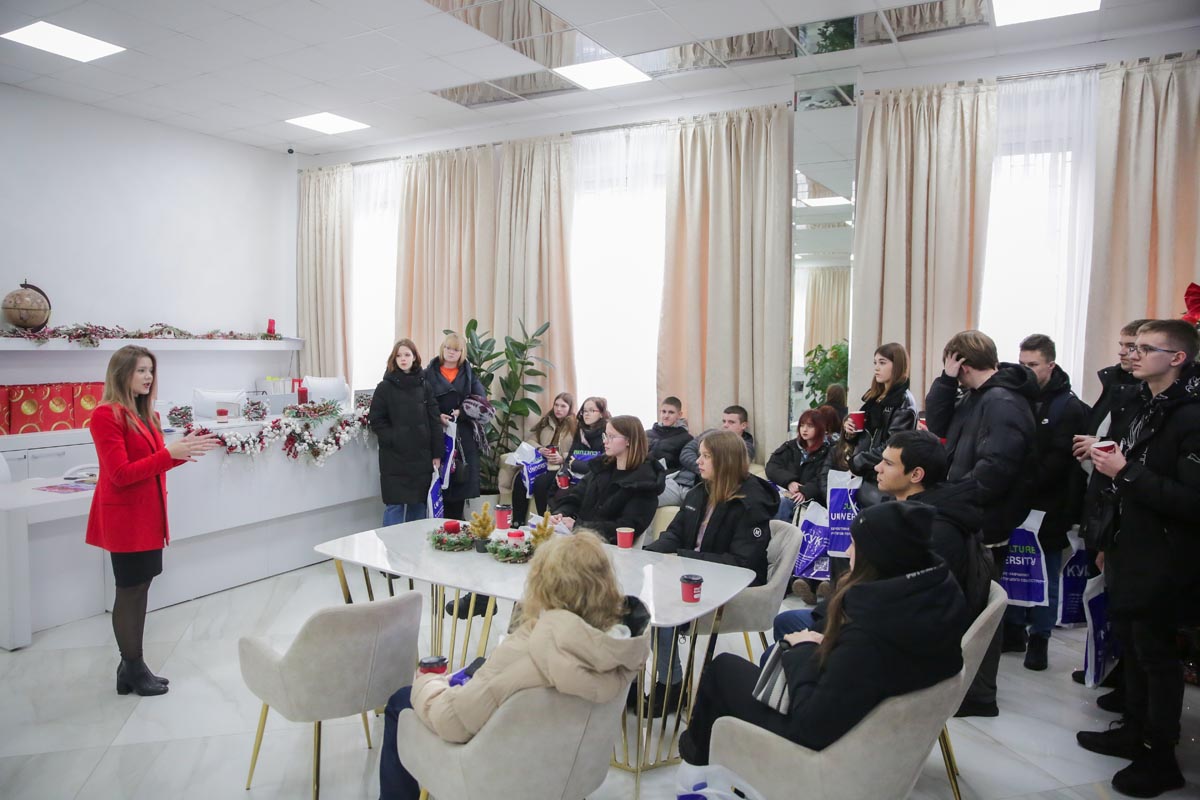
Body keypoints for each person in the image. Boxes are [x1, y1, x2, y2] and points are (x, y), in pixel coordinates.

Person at [679, 502, 968, 765]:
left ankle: (697, 761)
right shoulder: (937, 593)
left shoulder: (868, 634)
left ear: (877, 556)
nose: (848, 551)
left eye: (854, 544)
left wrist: (800, 649)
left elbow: (811, 725)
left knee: (722, 669)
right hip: (878, 720)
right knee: (781, 638)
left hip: (826, 744)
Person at [379, 531, 652, 800]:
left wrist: (428, 682)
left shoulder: (525, 651)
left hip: (490, 777)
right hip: (569, 775)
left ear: (543, 586)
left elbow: (452, 722)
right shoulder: (620, 653)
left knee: (401, 700)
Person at [1074, 319, 1199, 798]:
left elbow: (1191, 501)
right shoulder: (1145, 403)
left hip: (1165, 558)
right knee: (1133, 646)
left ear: (1178, 358)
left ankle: (1160, 756)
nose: (1133, 355)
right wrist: (1106, 541)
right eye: (1134, 346)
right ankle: (1134, 729)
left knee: (1157, 657)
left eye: (1147, 348)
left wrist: (1124, 471)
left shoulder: (1191, 416)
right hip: (1129, 546)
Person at [85, 345, 220, 696]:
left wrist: (182, 452)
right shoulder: (105, 415)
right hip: (125, 520)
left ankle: (131, 667)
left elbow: (153, 464)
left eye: (151, 370)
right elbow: (120, 474)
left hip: (148, 516)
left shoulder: (147, 415)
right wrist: (168, 453)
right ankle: (132, 666)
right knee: (129, 590)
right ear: (122, 374)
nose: (148, 377)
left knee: (141, 586)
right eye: (141, 370)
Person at [771, 429, 990, 644]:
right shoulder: (906, 514)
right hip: (875, 616)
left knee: (788, 627)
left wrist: (828, 629)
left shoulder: (932, 531)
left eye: (888, 463)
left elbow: (900, 603)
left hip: (894, 637)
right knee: (791, 622)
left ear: (915, 475)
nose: (877, 467)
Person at [924, 329, 1037, 717]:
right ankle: (964, 687)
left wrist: (950, 499)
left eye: (950, 364)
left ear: (961, 362)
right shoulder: (978, 396)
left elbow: (996, 469)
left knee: (980, 612)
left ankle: (979, 695)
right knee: (967, 605)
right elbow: (940, 426)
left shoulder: (1002, 401)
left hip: (985, 521)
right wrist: (944, 382)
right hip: (970, 515)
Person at [642, 430, 777, 714]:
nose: (698, 461)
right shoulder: (700, 491)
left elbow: (742, 564)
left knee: (660, 605)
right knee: (643, 599)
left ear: (725, 461)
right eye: (700, 455)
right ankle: (662, 681)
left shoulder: (751, 503)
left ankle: (671, 686)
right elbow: (675, 533)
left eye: (706, 456)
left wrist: (683, 558)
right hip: (697, 575)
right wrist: (647, 554)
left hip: (734, 589)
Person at [1069, 319, 1150, 694]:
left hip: (1126, 510)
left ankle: (1125, 682)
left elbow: (1128, 452)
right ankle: (1107, 667)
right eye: (1123, 345)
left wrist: (1100, 446)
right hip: (1101, 499)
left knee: (1128, 609)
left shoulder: (1148, 397)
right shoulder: (1117, 384)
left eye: (1134, 346)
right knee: (1103, 593)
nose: (1125, 353)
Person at [1001, 334, 1090, 670]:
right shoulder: (1016, 397)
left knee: (1045, 574)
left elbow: (1058, 463)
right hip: (1015, 501)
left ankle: (1040, 637)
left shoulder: (1067, 406)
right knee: (1014, 568)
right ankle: (1013, 630)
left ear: (1050, 365)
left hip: (1050, 505)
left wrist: (1018, 480)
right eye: (1022, 364)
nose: (1026, 370)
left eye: (1033, 365)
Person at [548, 415, 665, 545]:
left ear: (629, 441)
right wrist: (561, 514)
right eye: (605, 435)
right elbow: (575, 497)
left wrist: (577, 526)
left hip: (608, 549)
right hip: (580, 540)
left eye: (611, 437)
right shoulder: (601, 467)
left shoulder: (644, 482)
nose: (605, 441)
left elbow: (626, 527)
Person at [369, 339, 443, 526]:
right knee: (395, 506)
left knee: (418, 505)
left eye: (407, 355)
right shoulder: (384, 387)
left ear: (414, 357)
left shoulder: (425, 386)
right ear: (394, 359)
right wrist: (394, 438)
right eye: (399, 356)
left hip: (421, 457)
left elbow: (434, 421)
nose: (403, 359)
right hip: (394, 458)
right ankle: (390, 545)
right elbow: (376, 420)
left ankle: (414, 545)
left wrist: (437, 454)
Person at [841, 343, 918, 505]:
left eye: (882, 363)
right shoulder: (874, 398)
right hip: (867, 476)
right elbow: (866, 436)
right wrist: (850, 431)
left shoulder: (903, 402)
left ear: (897, 365)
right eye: (875, 363)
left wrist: (858, 461)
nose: (876, 368)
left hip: (883, 481)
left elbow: (893, 447)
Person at [425, 333, 487, 521]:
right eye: (448, 348)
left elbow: (481, 402)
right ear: (442, 349)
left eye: (456, 350)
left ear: (462, 353)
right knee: (437, 486)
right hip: (435, 434)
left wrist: (462, 411)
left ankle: (456, 528)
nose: (451, 352)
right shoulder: (428, 373)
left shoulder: (469, 374)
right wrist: (437, 416)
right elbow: (420, 401)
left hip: (462, 436)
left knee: (459, 482)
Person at [660, 405, 756, 506]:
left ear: (743, 425)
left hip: (701, 488)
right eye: (724, 421)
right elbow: (686, 452)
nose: (725, 425)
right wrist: (702, 467)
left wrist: (705, 469)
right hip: (679, 481)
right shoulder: (711, 434)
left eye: (731, 422)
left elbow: (728, 467)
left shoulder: (744, 447)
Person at [507, 392, 576, 525]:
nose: (558, 409)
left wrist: (562, 458)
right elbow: (530, 440)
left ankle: (545, 522)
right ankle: (518, 522)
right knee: (520, 479)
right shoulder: (546, 421)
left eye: (563, 406)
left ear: (570, 408)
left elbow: (576, 451)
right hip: (542, 463)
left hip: (560, 467)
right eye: (556, 405)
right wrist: (540, 449)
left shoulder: (575, 426)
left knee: (541, 483)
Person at [646, 396, 693, 472]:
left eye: (671, 412)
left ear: (679, 415)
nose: (666, 416)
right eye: (663, 412)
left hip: (667, 477)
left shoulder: (687, 439)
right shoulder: (646, 434)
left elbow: (685, 466)